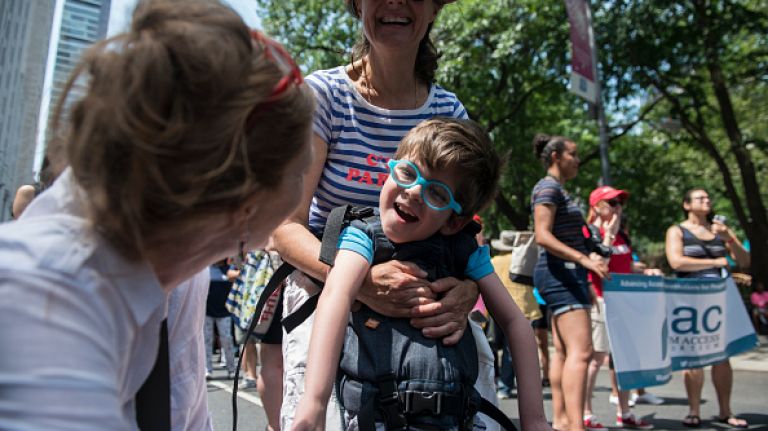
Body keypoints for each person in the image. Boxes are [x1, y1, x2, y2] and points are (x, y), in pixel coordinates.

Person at [0, 0, 315, 428]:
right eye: (302, 171)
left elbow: (183, 406)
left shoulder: (182, 274)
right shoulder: (40, 303)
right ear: (245, 197)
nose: (309, 192)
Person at [271, 0, 498, 428]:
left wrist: (468, 292)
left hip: (428, 307)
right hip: (328, 293)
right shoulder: (323, 96)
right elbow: (284, 226)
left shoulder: (449, 112)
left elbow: (468, 231)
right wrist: (361, 284)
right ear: (359, 6)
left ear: (434, 9)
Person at [292, 118, 549, 430]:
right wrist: (314, 403)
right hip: (376, 419)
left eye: (437, 193)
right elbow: (336, 295)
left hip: (455, 419)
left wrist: (534, 420)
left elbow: (514, 322)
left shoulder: (463, 250)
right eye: (407, 172)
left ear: (454, 221)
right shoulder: (363, 235)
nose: (414, 191)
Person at [531, 133, 609, 431]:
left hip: (563, 274)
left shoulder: (558, 190)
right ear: (556, 157)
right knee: (582, 351)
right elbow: (543, 234)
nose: (578, 160)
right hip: (560, 273)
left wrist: (595, 250)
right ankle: (576, 425)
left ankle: (564, 422)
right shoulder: (548, 187)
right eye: (573, 154)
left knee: (564, 351)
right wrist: (584, 260)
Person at [665, 188, 751, 428]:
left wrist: (729, 239)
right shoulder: (677, 231)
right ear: (687, 204)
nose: (707, 201)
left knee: (722, 356)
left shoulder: (719, 230)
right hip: (689, 300)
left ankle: (726, 411)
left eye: (708, 198)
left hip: (719, 298)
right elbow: (676, 261)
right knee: (694, 357)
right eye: (700, 198)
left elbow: (744, 262)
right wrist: (715, 261)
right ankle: (694, 410)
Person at [582, 186, 656, 430]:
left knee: (624, 359)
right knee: (596, 358)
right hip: (602, 301)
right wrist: (609, 234)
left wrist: (644, 271)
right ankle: (585, 413)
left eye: (619, 203)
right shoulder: (590, 232)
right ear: (596, 207)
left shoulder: (623, 235)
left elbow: (622, 265)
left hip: (626, 303)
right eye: (611, 202)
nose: (617, 207)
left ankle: (624, 412)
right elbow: (599, 266)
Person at [490, 230, 543, 398]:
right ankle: (506, 386)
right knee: (511, 351)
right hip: (522, 308)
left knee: (491, 348)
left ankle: (493, 382)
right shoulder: (526, 261)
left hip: (495, 308)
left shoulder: (493, 261)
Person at [204, 260, 239, 379]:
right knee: (206, 341)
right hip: (207, 312)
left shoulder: (230, 269)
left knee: (227, 339)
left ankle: (231, 369)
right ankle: (207, 369)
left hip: (224, 312)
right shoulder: (206, 270)